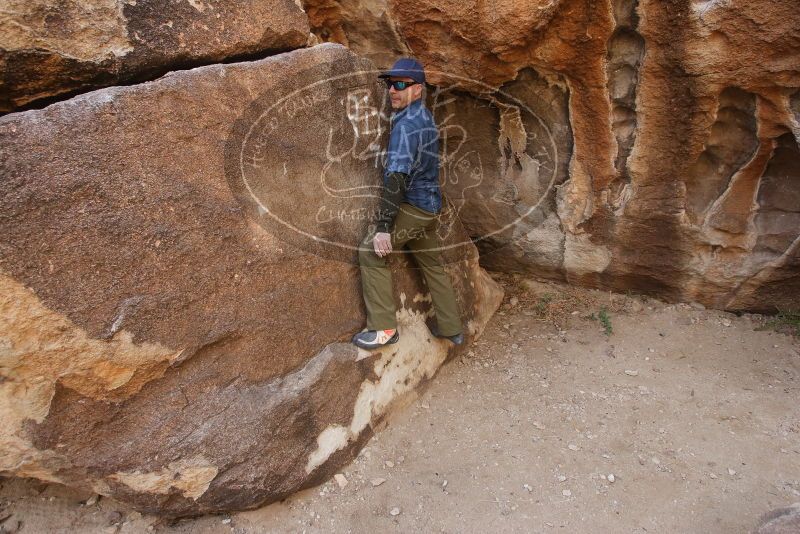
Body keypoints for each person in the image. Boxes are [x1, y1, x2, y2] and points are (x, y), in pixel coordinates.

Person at [352, 58, 464, 350]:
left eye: (401, 84)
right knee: (432, 265)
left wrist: (383, 228)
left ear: (418, 89)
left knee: (370, 252)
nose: (393, 90)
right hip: (430, 208)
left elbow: (397, 179)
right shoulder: (424, 117)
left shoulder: (407, 126)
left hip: (414, 207)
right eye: (390, 83)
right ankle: (452, 328)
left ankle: (383, 330)